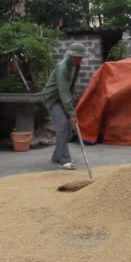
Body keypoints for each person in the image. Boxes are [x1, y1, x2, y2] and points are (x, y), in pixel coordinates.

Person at [42, 42, 87, 170]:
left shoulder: (76, 66)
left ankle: (57, 156)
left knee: (67, 127)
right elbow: (63, 91)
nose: (80, 59)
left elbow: (69, 88)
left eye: (81, 57)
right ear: (71, 56)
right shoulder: (62, 68)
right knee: (62, 125)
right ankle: (63, 159)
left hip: (63, 98)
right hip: (52, 98)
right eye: (78, 57)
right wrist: (72, 114)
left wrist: (70, 109)